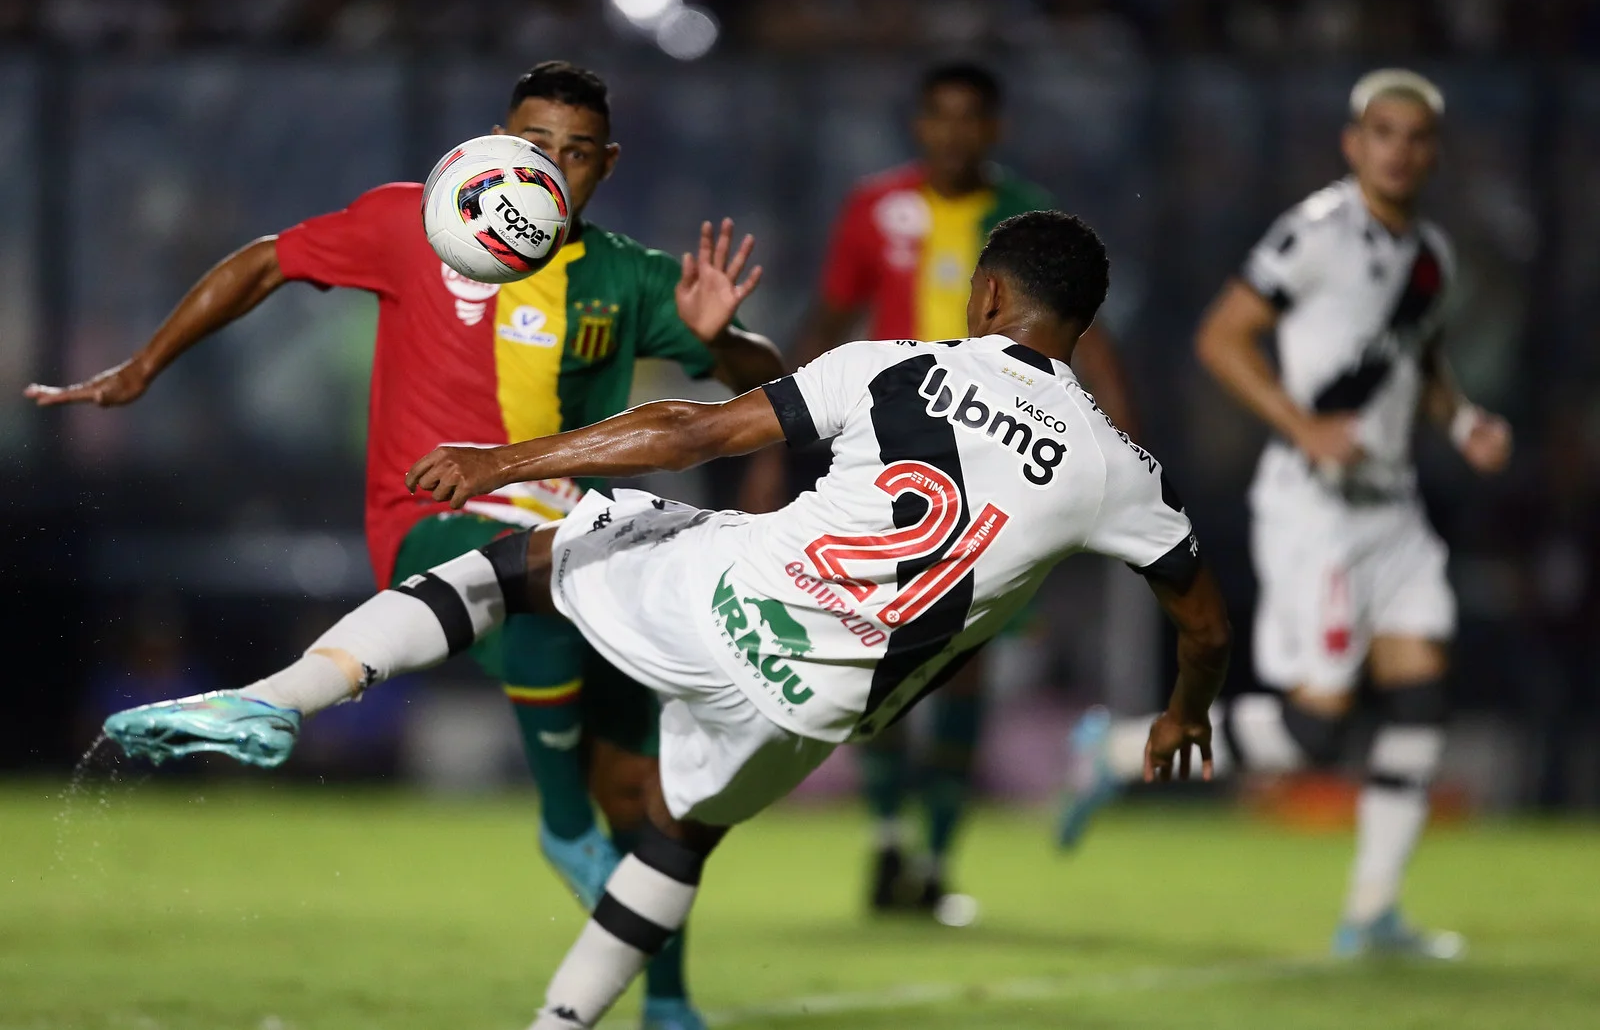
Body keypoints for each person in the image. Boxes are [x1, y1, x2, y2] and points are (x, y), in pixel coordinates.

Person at [103, 210, 1232, 1029]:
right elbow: (1202, 620)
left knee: (530, 555)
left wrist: (510, 459)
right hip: (820, 702)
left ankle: (276, 696)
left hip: (725, 595)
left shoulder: (895, 367)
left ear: (986, 296)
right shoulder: (1119, 469)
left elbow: (691, 434)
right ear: (1081, 324)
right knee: (679, 836)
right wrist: (1180, 714)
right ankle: (561, 1023)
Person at [27, 60, 784, 1030]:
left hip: (578, 544)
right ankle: (539, 812)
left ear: (607, 164)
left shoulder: (629, 276)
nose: (549, 166)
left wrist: (723, 341)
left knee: (641, 792)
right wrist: (142, 366)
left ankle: (666, 1002)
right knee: (546, 590)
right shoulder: (416, 223)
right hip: (431, 516)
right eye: (533, 142)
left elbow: (763, 384)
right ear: (495, 142)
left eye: (575, 151)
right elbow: (265, 258)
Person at [1055, 70, 1512, 959]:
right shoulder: (1316, 231)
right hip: (1318, 511)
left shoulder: (1432, 258)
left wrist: (1463, 421)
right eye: (1383, 132)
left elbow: (1421, 361)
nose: (1399, 149)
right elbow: (1221, 334)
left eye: (1416, 136)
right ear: (1354, 143)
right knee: (1314, 729)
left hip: (1395, 512)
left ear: (1432, 151)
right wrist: (1303, 424)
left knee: (1422, 694)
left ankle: (1371, 911)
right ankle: (1112, 752)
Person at [778, 60, 1142, 918]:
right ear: (918, 125)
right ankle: (887, 844)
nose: (952, 133)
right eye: (937, 116)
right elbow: (830, 318)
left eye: (969, 118)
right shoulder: (874, 209)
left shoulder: (1026, 217)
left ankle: (934, 859)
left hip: (999, 466)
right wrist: (776, 432)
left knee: (964, 665)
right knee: (883, 658)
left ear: (994, 129)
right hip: (891, 463)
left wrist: (1124, 441)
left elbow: (1091, 340)